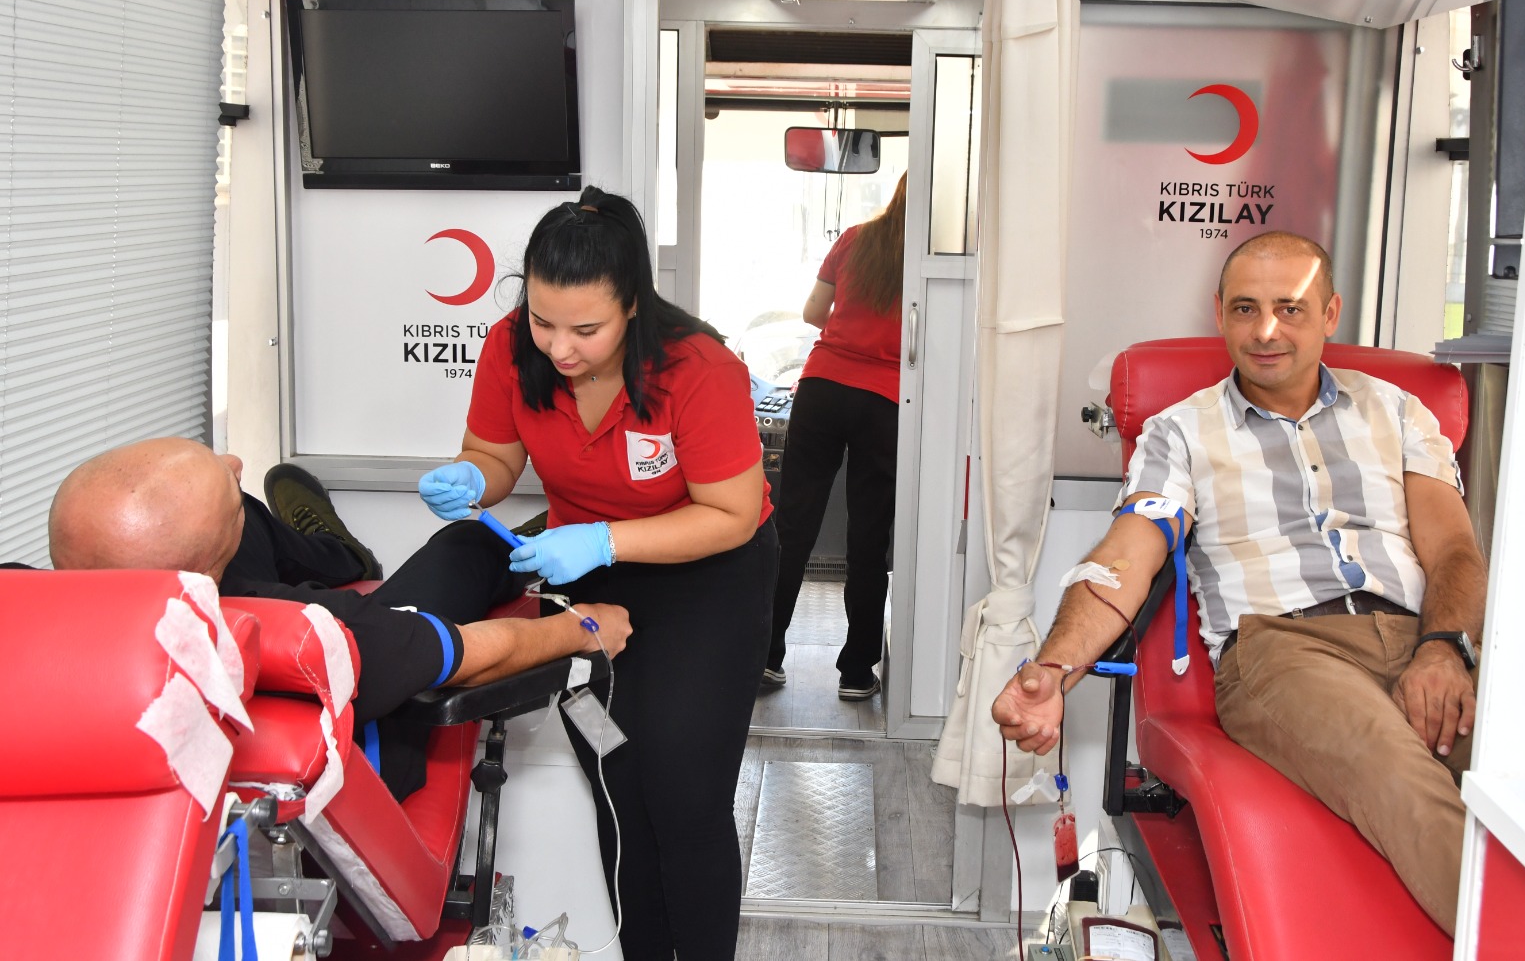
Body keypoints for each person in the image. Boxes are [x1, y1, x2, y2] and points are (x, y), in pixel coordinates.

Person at [992, 231, 1485, 935]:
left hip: (1420, 635)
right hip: (1284, 650)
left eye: (1290, 308)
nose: (1266, 331)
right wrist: (1054, 668)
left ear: (1330, 313)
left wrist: (1443, 648)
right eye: (1246, 309)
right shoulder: (1179, 433)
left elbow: (1456, 552)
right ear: (1219, 312)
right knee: (1399, 775)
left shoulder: (1399, 411)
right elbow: (1125, 558)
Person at [417, 187, 774, 961]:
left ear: (633, 305)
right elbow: (495, 455)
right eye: (543, 321)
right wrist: (472, 478)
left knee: (684, 792)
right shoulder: (512, 347)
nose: (559, 347)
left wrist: (606, 541)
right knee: (616, 778)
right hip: (585, 584)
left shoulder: (698, 369)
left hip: (706, 579)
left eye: (586, 329)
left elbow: (731, 515)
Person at [46, 436, 630, 801]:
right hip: (361, 759)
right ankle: (517, 548)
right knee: (467, 546)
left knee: (250, 519)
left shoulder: (20, 608)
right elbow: (482, 653)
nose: (235, 461)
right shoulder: (322, 632)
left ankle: (337, 552)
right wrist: (583, 627)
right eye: (225, 479)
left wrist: (229, 512)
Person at [765, 172, 906, 700]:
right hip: (886, 401)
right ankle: (856, 672)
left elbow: (812, 313)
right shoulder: (929, 260)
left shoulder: (854, 239)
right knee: (868, 538)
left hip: (822, 388)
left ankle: (765, 657)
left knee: (792, 526)